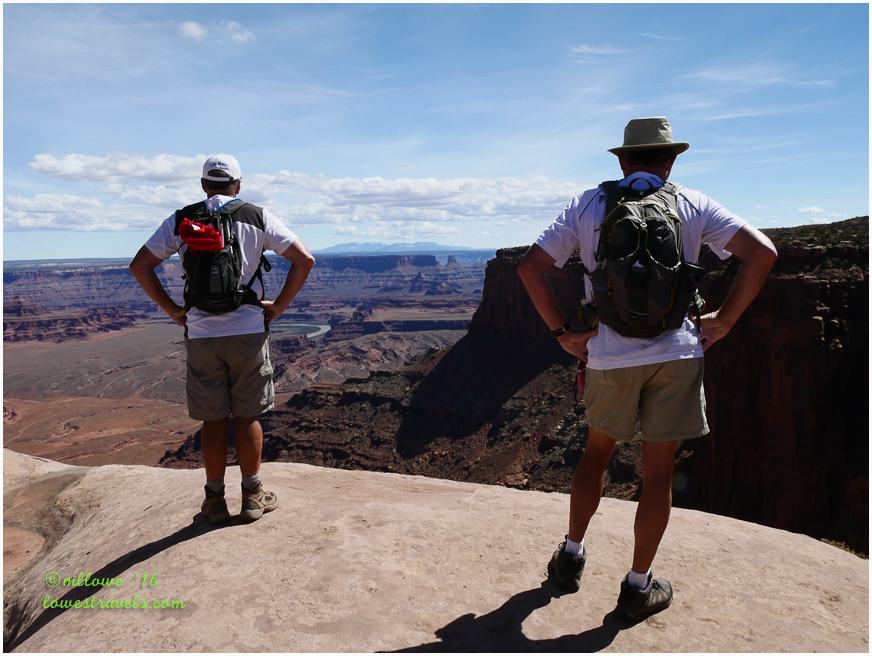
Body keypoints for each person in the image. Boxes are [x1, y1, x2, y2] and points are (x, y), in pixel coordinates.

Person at [518, 117, 777, 621]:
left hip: (608, 354)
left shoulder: (589, 204)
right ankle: (637, 586)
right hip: (678, 352)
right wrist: (724, 320)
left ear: (621, 160)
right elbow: (763, 253)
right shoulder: (694, 203)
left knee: (596, 454)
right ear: (671, 159)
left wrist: (563, 335)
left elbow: (529, 268)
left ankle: (570, 557)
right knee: (658, 474)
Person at [129, 154, 315, 524]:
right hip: (247, 329)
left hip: (201, 332)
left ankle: (215, 501)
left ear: (203, 186)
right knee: (247, 416)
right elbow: (304, 259)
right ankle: (252, 496)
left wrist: (173, 311)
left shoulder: (182, 219)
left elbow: (140, 266)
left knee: (213, 420)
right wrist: (277, 307)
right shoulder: (256, 215)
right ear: (238, 185)